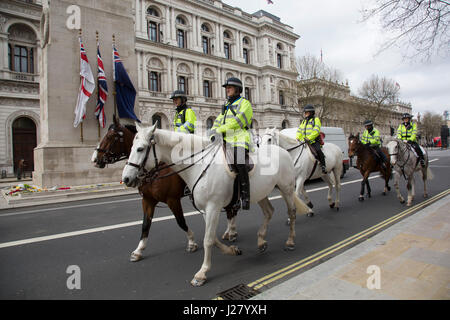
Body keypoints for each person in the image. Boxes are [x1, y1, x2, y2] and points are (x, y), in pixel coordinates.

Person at [210, 77, 253, 210]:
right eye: (226, 88)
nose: (227, 90)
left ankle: (245, 197)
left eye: (230, 87)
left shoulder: (245, 103)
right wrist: (212, 133)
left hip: (240, 139)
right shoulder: (226, 105)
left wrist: (220, 130)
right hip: (226, 140)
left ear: (238, 89)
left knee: (239, 162)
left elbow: (238, 121)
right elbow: (218, 121)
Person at [296, 104, 326, 174]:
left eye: (306, 113)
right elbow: (300, 130)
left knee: (318, 151)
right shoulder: (304, 121)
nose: (305, 114)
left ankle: (323, 165)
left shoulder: (316, 120)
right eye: (305, 113)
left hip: (313, 141)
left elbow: (316, 130)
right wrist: (297, 137)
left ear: (311, 113)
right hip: (304, 142)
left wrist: (309, 138)